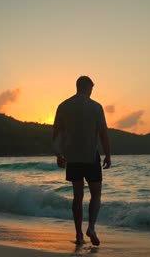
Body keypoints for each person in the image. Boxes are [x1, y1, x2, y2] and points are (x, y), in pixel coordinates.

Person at [52, 75, 111, 246]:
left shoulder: (63, 106)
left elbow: (56, 133)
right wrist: (108, 155)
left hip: (73, 158)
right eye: (92, 89)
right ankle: (91, 227)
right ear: (88, 88)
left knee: (77, 197)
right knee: (96, 194)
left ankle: (78, 235)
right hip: (91, 157)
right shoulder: (96, 107)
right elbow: (103, 133)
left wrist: (58, 154)